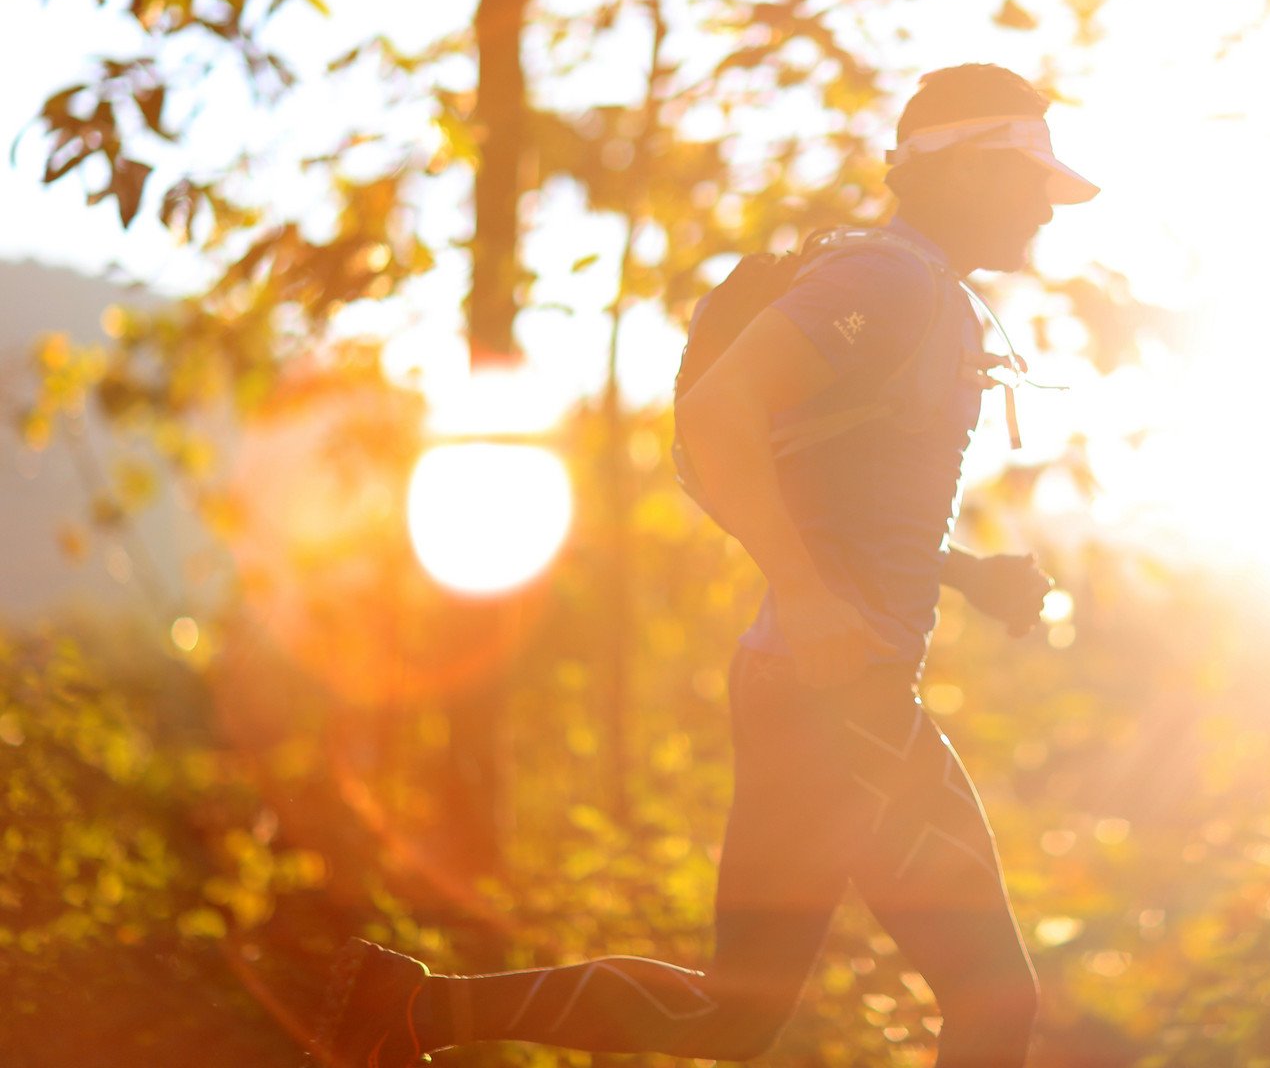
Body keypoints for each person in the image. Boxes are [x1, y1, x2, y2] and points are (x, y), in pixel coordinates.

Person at [315, 62, 1098, 1068]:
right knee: (994, 1007)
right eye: (1031, 179)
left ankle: (408, 1014)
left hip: (814, 693)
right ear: (968, 173)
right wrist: (815, 604)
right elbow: (718, 411)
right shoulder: (888, 282)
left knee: (731, 1015)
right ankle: (409, 1014)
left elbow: (842, 503)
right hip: (839, 701)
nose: (1046, 205)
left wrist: (959, 574)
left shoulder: (918, 292)